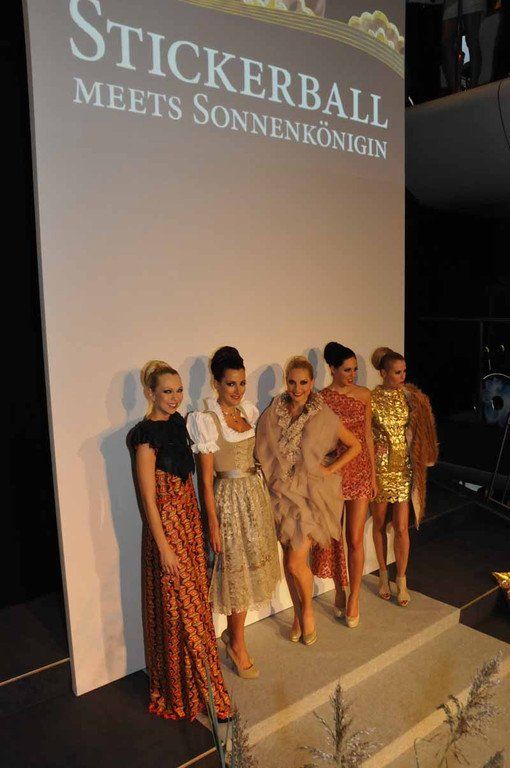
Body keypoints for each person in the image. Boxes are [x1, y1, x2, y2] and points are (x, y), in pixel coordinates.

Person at [130, 360, 230, 720]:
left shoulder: (179, 424)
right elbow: (148, 500)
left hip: (188, 523)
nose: (174, 397)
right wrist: (164, 548)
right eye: (166, 391)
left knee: (196, 610)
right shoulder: (145, 437)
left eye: (178, 390)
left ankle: (198, 689)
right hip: (167, 531)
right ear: (150, 393)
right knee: (182, 614)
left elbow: (191, 481)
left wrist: (202, 524)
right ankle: (210, 696)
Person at [188, 347, 281, 680]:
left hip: (254, 498)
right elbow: (205, 478)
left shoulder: (249, 412)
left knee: (251, 568)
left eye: (241, 383)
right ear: (216, 383)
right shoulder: (206, 420)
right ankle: (237, 644)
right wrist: (212, 522)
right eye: (230, 384)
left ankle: (233, 636)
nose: (238, 390)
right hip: (227, 502)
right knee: (235, 574)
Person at [256, 356, 361, 645]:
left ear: (312, 382)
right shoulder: (274, 412)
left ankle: (308, 611)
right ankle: (297, 614)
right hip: (282, 494)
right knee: (289, 559)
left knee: (295, 561)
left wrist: (328, 469)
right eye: (292, 382)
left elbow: (354, 445)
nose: (297, 388)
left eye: (303, 382)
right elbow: (262, 449)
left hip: (313, 495)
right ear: (286, 382)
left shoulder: (323, 414)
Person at [311, 342, 376, 628]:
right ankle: (339, 589)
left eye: (355, 369)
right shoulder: (321, 398)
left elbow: (367, 436)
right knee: (335, 538)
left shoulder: (364, 395)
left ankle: (354, 598)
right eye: (347, 370)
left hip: (360, 471)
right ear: (332, 369)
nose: (352, 375)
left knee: (355, 538)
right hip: (335, 473)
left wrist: (373, 476)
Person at [370, 347, 438, 607]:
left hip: (404, 469)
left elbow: (422, 431)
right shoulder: (371, 398)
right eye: (397, 372)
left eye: (404, 371)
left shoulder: (411, 398)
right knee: (378, 524)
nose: (402, 376)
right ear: (383, 373)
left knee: (401, 527)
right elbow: (364, 433)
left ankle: (401, 579)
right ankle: (382, 575)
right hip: (380, 470)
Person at [442, 0, 485, 92]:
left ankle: (472, 88)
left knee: (472, 41)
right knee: (447, 43)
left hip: (472, 3)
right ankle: (455, 88)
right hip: (450, 3)